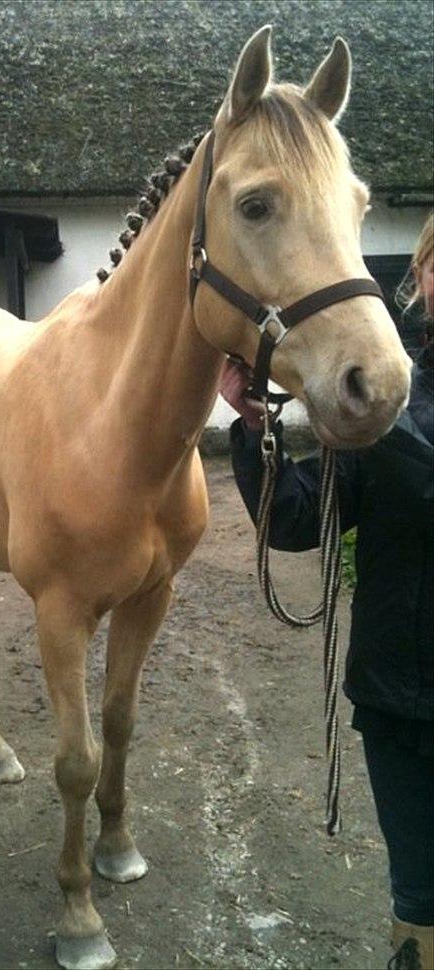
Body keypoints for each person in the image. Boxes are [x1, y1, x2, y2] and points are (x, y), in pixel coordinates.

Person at [220, 212, 433, 970]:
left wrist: (385, 427)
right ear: (421, 280)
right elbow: (298, 517)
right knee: (418, 900)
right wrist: (254, 431)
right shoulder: (386, 403)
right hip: (397, 700)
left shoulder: (385, 413)